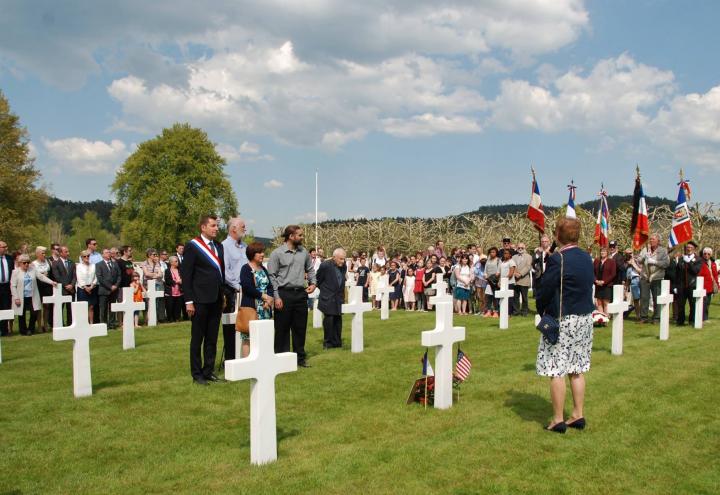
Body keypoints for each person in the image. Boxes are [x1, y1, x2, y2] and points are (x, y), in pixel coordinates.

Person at [535, 217, 595, 433]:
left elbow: (545, 289)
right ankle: (578, 413)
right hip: (584, 318)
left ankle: (558, 419)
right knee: (577, 368)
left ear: (558, 236)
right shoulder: (587, 257)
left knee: (556, 368)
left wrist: (541, 310)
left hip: (563, 318)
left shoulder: (558, 259)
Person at [181, 215, 226, 385]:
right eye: (213, 226)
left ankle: (209, 370)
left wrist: (222, 296)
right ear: (203, 227)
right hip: (199, 299)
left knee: (212, 338)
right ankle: (197, 374)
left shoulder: (219, 247)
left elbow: (220, 273)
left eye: (217, 226)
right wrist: (188, 301)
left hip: (215, 298)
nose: (216, 229)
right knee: (197, 338)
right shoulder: (193, 246)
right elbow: (187, 275)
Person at [268, 225, 316, 368]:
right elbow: (272, 276)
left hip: (301, 294)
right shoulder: (277, 253)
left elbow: (310, 269)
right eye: (300, 235)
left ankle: (300, 359)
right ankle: (281, 360)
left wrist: (313, 283)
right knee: (282, 328)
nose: (302, 237)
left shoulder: (304, 253)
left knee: (300, 327)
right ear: (291, 236)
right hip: (284, 294)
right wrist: (276, 296)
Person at [239, 242, 274, 357]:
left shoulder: (263, 268)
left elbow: (269, 286)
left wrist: (269, 299)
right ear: (252, 254)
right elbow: (247, 287)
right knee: (248, 338)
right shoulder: (245, 269)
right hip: (251, 308)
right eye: (259, 252)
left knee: (263, 337)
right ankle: (245, 365)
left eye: (263, 252)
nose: (262, 254)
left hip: (265, 309)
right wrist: (263, 296)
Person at [221, 217, 248, 362]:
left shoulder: (245, 246)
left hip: (246, 291)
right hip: (232, 292)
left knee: (246, 324)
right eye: (243, 226)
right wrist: (238, 287)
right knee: (231, 326)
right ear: (233, 229)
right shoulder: (224, 246)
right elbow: (225, 271)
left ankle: (245, 357)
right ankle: (231, 359)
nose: (245, 228)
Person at [10, 254, 56, 335]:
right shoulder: (15, 272)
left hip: (32, 296)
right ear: (20, 263)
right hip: (21, 296)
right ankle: (23, 330)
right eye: (24, 263)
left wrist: (51, 282)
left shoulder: (32, 270)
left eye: (28, 262)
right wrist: (16, 298)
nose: (26, 264)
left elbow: (41, 277)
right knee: (22, 314)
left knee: (34, 312)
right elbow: (13, 286)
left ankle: (31, 329)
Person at [316, 248, 347, 349]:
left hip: (338, 297)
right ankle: (328, 342)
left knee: (338, 320)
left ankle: (337, 342)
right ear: (334, 258)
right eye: (341, 259)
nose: (343, 261)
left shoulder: (344, 266)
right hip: (327, 297)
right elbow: (318, 280)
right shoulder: (325, 265)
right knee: (329, 320)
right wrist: (326, 291)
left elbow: (342, 279)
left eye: (344, 259)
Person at [636, 233, 670, 323]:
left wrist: (655, 262)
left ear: (658, 241)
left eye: (653, 239)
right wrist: (643, 257)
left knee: (656, 298)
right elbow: (638, 260)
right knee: (644, 297)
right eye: (650, 239)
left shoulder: (663, 251)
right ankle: (644, 317)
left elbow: (666, 263)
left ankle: (656, 317)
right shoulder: (645, 249)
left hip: (656, 277)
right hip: (645, 276)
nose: (651, 241)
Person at [675, 241, 702, 326]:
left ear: (694, 249)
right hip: (682, 285)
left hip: (692, 285)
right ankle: (680, 321)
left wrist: (689, 262)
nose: (689, 249)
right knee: (681, 305)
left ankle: (691, 321)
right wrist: (676, 285)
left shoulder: (698, 259)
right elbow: (677, 272)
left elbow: (695, 271)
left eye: (691, 248)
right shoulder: (681, 259)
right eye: (687, 248)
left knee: (692, 304)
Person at [50, 246, 76, 326]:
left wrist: (72, 285)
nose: (68, 253)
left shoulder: (71, 262)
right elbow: (57, 276)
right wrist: (66, 285)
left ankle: (70, 323)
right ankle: (60, 324)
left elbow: (75, 276)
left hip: (71, 289)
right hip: (62, 290)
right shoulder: (55, 263)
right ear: (61, 253)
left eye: (68, 251)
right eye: (66, 252)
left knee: (70, 308)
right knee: (60, 308)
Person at [96, 248, 121, 328]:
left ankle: (112, 323)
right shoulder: (99, 264)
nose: (108, 254)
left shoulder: (114, 264)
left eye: (109, 252)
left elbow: (119, 275)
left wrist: (116, 285)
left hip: (114, 290)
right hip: (104, 290)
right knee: (103, 308)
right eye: (106, 253)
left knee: (112, 308)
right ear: (103, 255)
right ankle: (103, 324)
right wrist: (110, 286)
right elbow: (100, 278)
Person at [31, 246, 54, 332]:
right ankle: (39, 325)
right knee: (38, 306)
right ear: (37, 254)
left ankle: (46, 324)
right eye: (42, 253)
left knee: (47, 306)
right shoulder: (33, 264)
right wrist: (41, 275)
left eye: (45, 253)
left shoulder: (48, 262)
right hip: (38, 286)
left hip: (47, 286)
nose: (44, 255)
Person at [141, 249, 165, 322]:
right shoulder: (144, 263)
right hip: (147, 285)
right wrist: (155, 275)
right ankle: (147, 319)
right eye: (154, 255)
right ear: (149, 255)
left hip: (157, 285)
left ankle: (156, 318)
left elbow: (160, 274)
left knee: (157, 302)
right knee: (148, 302)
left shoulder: (157, 263)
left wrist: (154, 275)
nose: (155, 256)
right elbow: (146, 273)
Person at [76, 250, 98, 324]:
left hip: (92, 287)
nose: (86, 257)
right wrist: (85, 287)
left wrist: (92, 286)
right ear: (81, 257)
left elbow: (95, 277)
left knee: (91, 307)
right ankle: (83, 323)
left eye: (88, 256)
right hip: (82, 288)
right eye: (84, 256)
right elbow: (79, 278)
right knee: (83, 307)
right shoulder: (79, 266)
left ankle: (91, 323)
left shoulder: (93, 265)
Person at [593, 247, 616, 315]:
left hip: (607, 285)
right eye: (601, 251)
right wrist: (595, 281)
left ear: (607, 253)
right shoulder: (596, 261)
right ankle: (601, 319)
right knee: (599, 302)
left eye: (604, 251)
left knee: (606, 303)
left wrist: (604, 282)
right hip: (598, 285)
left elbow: (613, 274)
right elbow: (592, 272)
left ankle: (606, 318)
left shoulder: (611, 262)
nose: (602, 253)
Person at [513, 243, 533, 317]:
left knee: (524, 297)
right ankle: (516, 311)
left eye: (522, 248)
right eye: (519, 248)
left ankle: (524, 311)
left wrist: (520, 274)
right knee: (515, 297)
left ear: (524, 248)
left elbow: (528, 267)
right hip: (515, 280)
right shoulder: (513, 257)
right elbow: (512, 266)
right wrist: (514, 273)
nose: (520, 249)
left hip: (524, 280)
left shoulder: (529, 257)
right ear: (517, 248)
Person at [163, 256, 184, 323]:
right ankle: (170, 319)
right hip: (170, 292)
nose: (177, 262)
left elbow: (183, 278)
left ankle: (177, 318)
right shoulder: (167, 271)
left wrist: (182, 281)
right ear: (171, 263)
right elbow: (167, 281)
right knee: (170, 306)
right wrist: (176, 282)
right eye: (176, 261)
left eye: (177, 261)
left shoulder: (180, 270)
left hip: (179, 291)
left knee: (178, 306)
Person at [700, 247, 718, 321]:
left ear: (710, 255)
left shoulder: (713, 264)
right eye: (705, 254)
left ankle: (705, 317)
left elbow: (715, 275)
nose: (706, 255)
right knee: (703, 303)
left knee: (707, 303)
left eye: (708, 254)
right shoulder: (700, 262)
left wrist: (717, 285)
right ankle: (702, 318)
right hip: (702, 286)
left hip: (710, 287)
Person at [625, 250, 642, 321]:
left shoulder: (637, 259)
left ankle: (642, 315)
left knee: (641, 298)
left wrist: (633, 263)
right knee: (636, 299)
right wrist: (626, 286)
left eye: (630, 253)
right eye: (627, 254)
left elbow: (641, 271)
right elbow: (628, 275)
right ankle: (638, 315)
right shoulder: (626, 262)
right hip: (632, 280)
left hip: (639, 278)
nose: (629, 255)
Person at [483, 247, 501, 317]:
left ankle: (496, 311)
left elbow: (498, 272)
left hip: (495, 281)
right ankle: (488, 311)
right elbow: (485, 270)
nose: (492, 253)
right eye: (491, 252)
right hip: (488, 281)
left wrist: (493, 278)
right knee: (488, 296)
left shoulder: (498, 260)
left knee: (495, 297)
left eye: (493, 252)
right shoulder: (488, 260)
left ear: (496, 253)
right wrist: (485, 275)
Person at [499, 248, 517, 314]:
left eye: (506, 253)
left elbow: (511, 273)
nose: (505, 255)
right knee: (503, 297)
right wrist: (499, 281)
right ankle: (503, 311)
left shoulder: (511, 262)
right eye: (504, 253)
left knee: (509, 299)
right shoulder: (503, 262)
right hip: (503, 282)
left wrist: (504, 280)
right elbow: (501, 273)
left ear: (510, 255)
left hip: (509, 282)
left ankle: (509, 312)